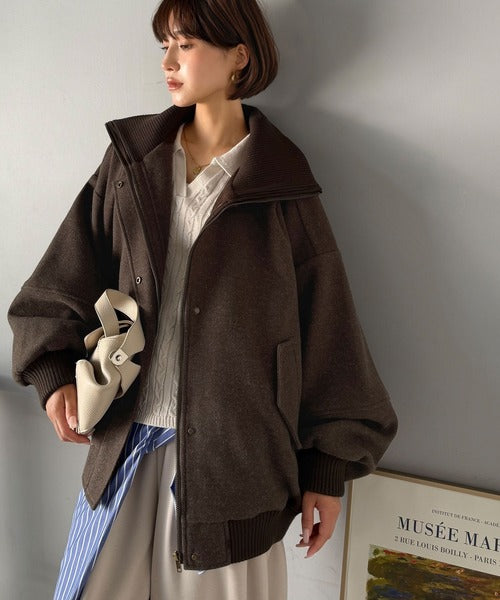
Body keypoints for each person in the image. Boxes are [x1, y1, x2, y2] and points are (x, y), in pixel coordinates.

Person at [7, 0, 398, 598]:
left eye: (185, 44)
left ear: (239, 55)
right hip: (125, 445)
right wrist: (54, 373)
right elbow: (62, 275)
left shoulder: (280, 184)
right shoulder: (132, 162)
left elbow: (329, 328)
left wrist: (327, 470)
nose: (168, 61)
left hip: (235, 473)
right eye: (164, 44)